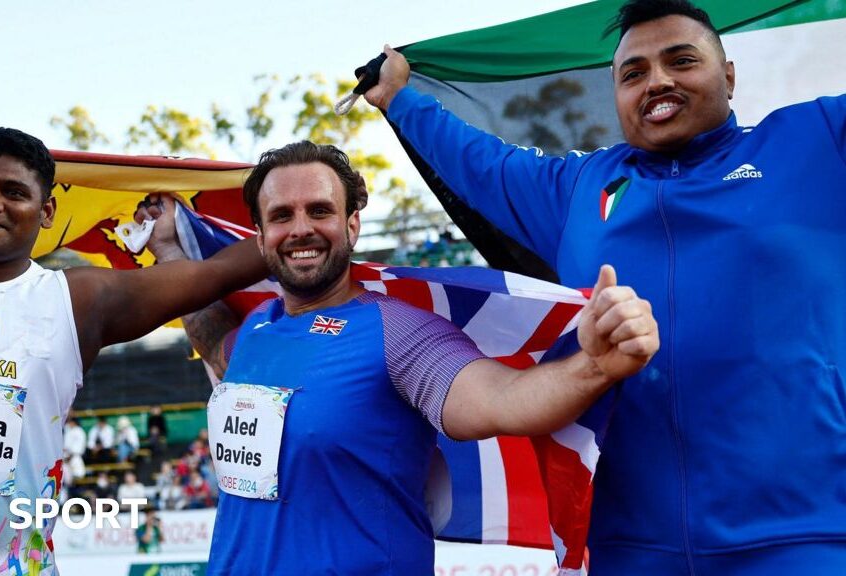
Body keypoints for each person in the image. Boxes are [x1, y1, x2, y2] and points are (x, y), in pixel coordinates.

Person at [362, 1, 846, 573]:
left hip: (806, 538)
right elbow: (479, 161)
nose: (657, 81)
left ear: (729, 76)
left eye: (682, 60)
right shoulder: (578, 189)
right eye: (632, 73)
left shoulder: (817, 141)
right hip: (627, 548)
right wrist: (399, 97)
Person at [136, 140, 659, 574]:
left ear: (353, 225)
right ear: (262, 236)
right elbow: (210, 338)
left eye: (320, 210)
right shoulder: (257, 329)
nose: (300, 228)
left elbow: (503, 399)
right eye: (281, 216)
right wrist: (170, 250)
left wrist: (596, 366)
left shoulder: (397, 331)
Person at [0, 127, 267, 575]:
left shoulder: (76, 301)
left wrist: (323, 208)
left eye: (13, 191)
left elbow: (219, 272)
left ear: (46, 211)